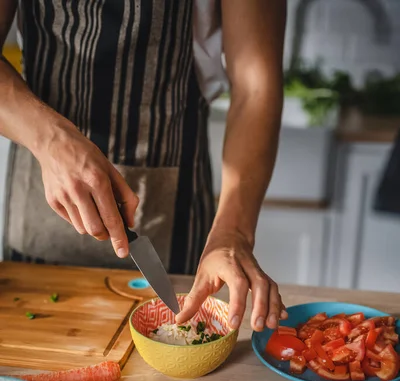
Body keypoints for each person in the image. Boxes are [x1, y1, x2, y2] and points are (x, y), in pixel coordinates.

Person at [0, 0, 288, 331]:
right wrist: (50, 141)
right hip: (39, 195)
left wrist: (233, 232)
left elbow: (255, 86)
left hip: (173, 204)